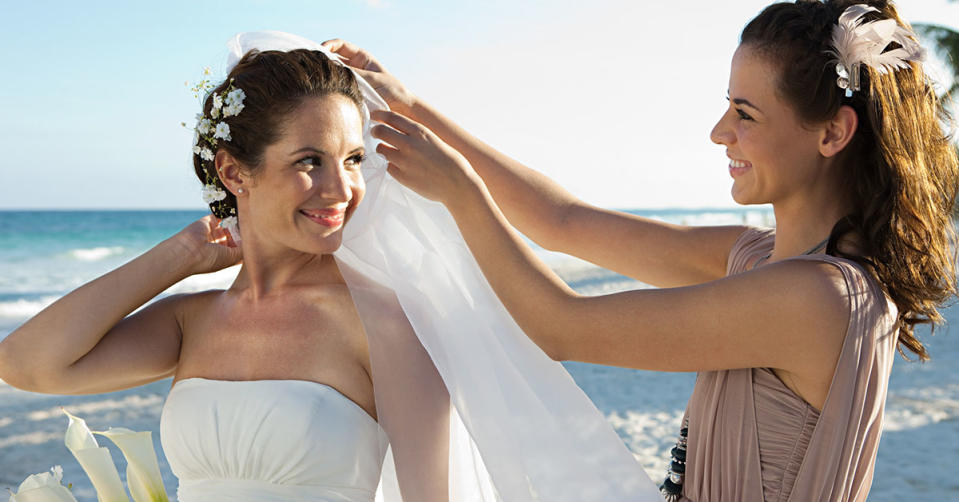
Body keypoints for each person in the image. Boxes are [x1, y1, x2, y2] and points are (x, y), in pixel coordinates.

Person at [326, 0, 959, 500]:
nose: (719, 133)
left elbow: (561, 327)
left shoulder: (818, 296)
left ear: (832, 133)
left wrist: (461, 194)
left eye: (746, 113)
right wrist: (413, 109)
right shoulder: (759, 261)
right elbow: (563, 220)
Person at [0, 32, 665, 501]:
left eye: (353, 160)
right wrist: (178, 256)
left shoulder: (381, 317)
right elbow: (30, 364)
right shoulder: (191, 321)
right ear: (234, 171)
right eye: (309, 160)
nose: (342, 189)